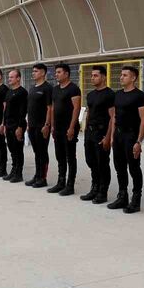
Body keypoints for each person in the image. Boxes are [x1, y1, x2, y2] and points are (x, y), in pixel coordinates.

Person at [108, 66, 144, 213]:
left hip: (131, 136)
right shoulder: (117, 94)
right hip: (118, 135)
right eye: (121, 75)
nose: (121, 77)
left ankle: (136, 200)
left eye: (125, 75)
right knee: (119, 168)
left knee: (134, 168)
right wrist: (112, 136)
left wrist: (139, 141)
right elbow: (114, 117)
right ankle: (122, 196)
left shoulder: (140, 96)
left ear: (133, 78)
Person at [81, 66, 115, 204]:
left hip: (102, 132)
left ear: (103, 77)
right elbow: (89, 112)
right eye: (92, 75)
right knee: (91, 161)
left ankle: (102, 191)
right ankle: (94, 188)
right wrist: (85, 130)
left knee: (102, 163)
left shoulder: (109, 94)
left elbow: (113, 117)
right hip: (90, 132)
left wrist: (108, 137)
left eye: (95, 75)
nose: (92, 78)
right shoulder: (91, 94)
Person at [49, 64, 81, 196]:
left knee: (70, 156)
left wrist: (72, 127)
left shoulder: (73, 89)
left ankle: (70, 185)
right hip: (58, 128)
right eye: (56, 72)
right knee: (59, 156)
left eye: (59, 72)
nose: (56, 74)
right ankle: (60, 181)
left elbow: (76, 108)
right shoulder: (55, 89)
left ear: (66, 74)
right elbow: (53, 108)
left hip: (69, 128)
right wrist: (52, 125)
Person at [25, 64, 53, 188]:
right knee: (36, 152)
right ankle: (37, 175)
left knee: (42, 151)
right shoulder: (32, 88)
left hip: (42, 125)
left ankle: (43, 178)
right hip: (32, 125)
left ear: (43, 73)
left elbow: (50, 108)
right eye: (33, 71)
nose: (33, 73)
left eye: (36, 71)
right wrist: (28, 124)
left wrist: (47, 125)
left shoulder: (47, 88)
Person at [1, 69, 28, 183]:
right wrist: (3, 124)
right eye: (9, 77)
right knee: (12, 149)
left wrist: (20, 127)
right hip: (9, 124)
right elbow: (6, 110)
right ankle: (13, 170)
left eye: (12, 77)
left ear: (18, 78)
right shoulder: (9, 92)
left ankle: (18, 173)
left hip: (17, 125)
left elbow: (23, 111)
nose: (9, 79)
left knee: (18, 149)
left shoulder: (22, 92)